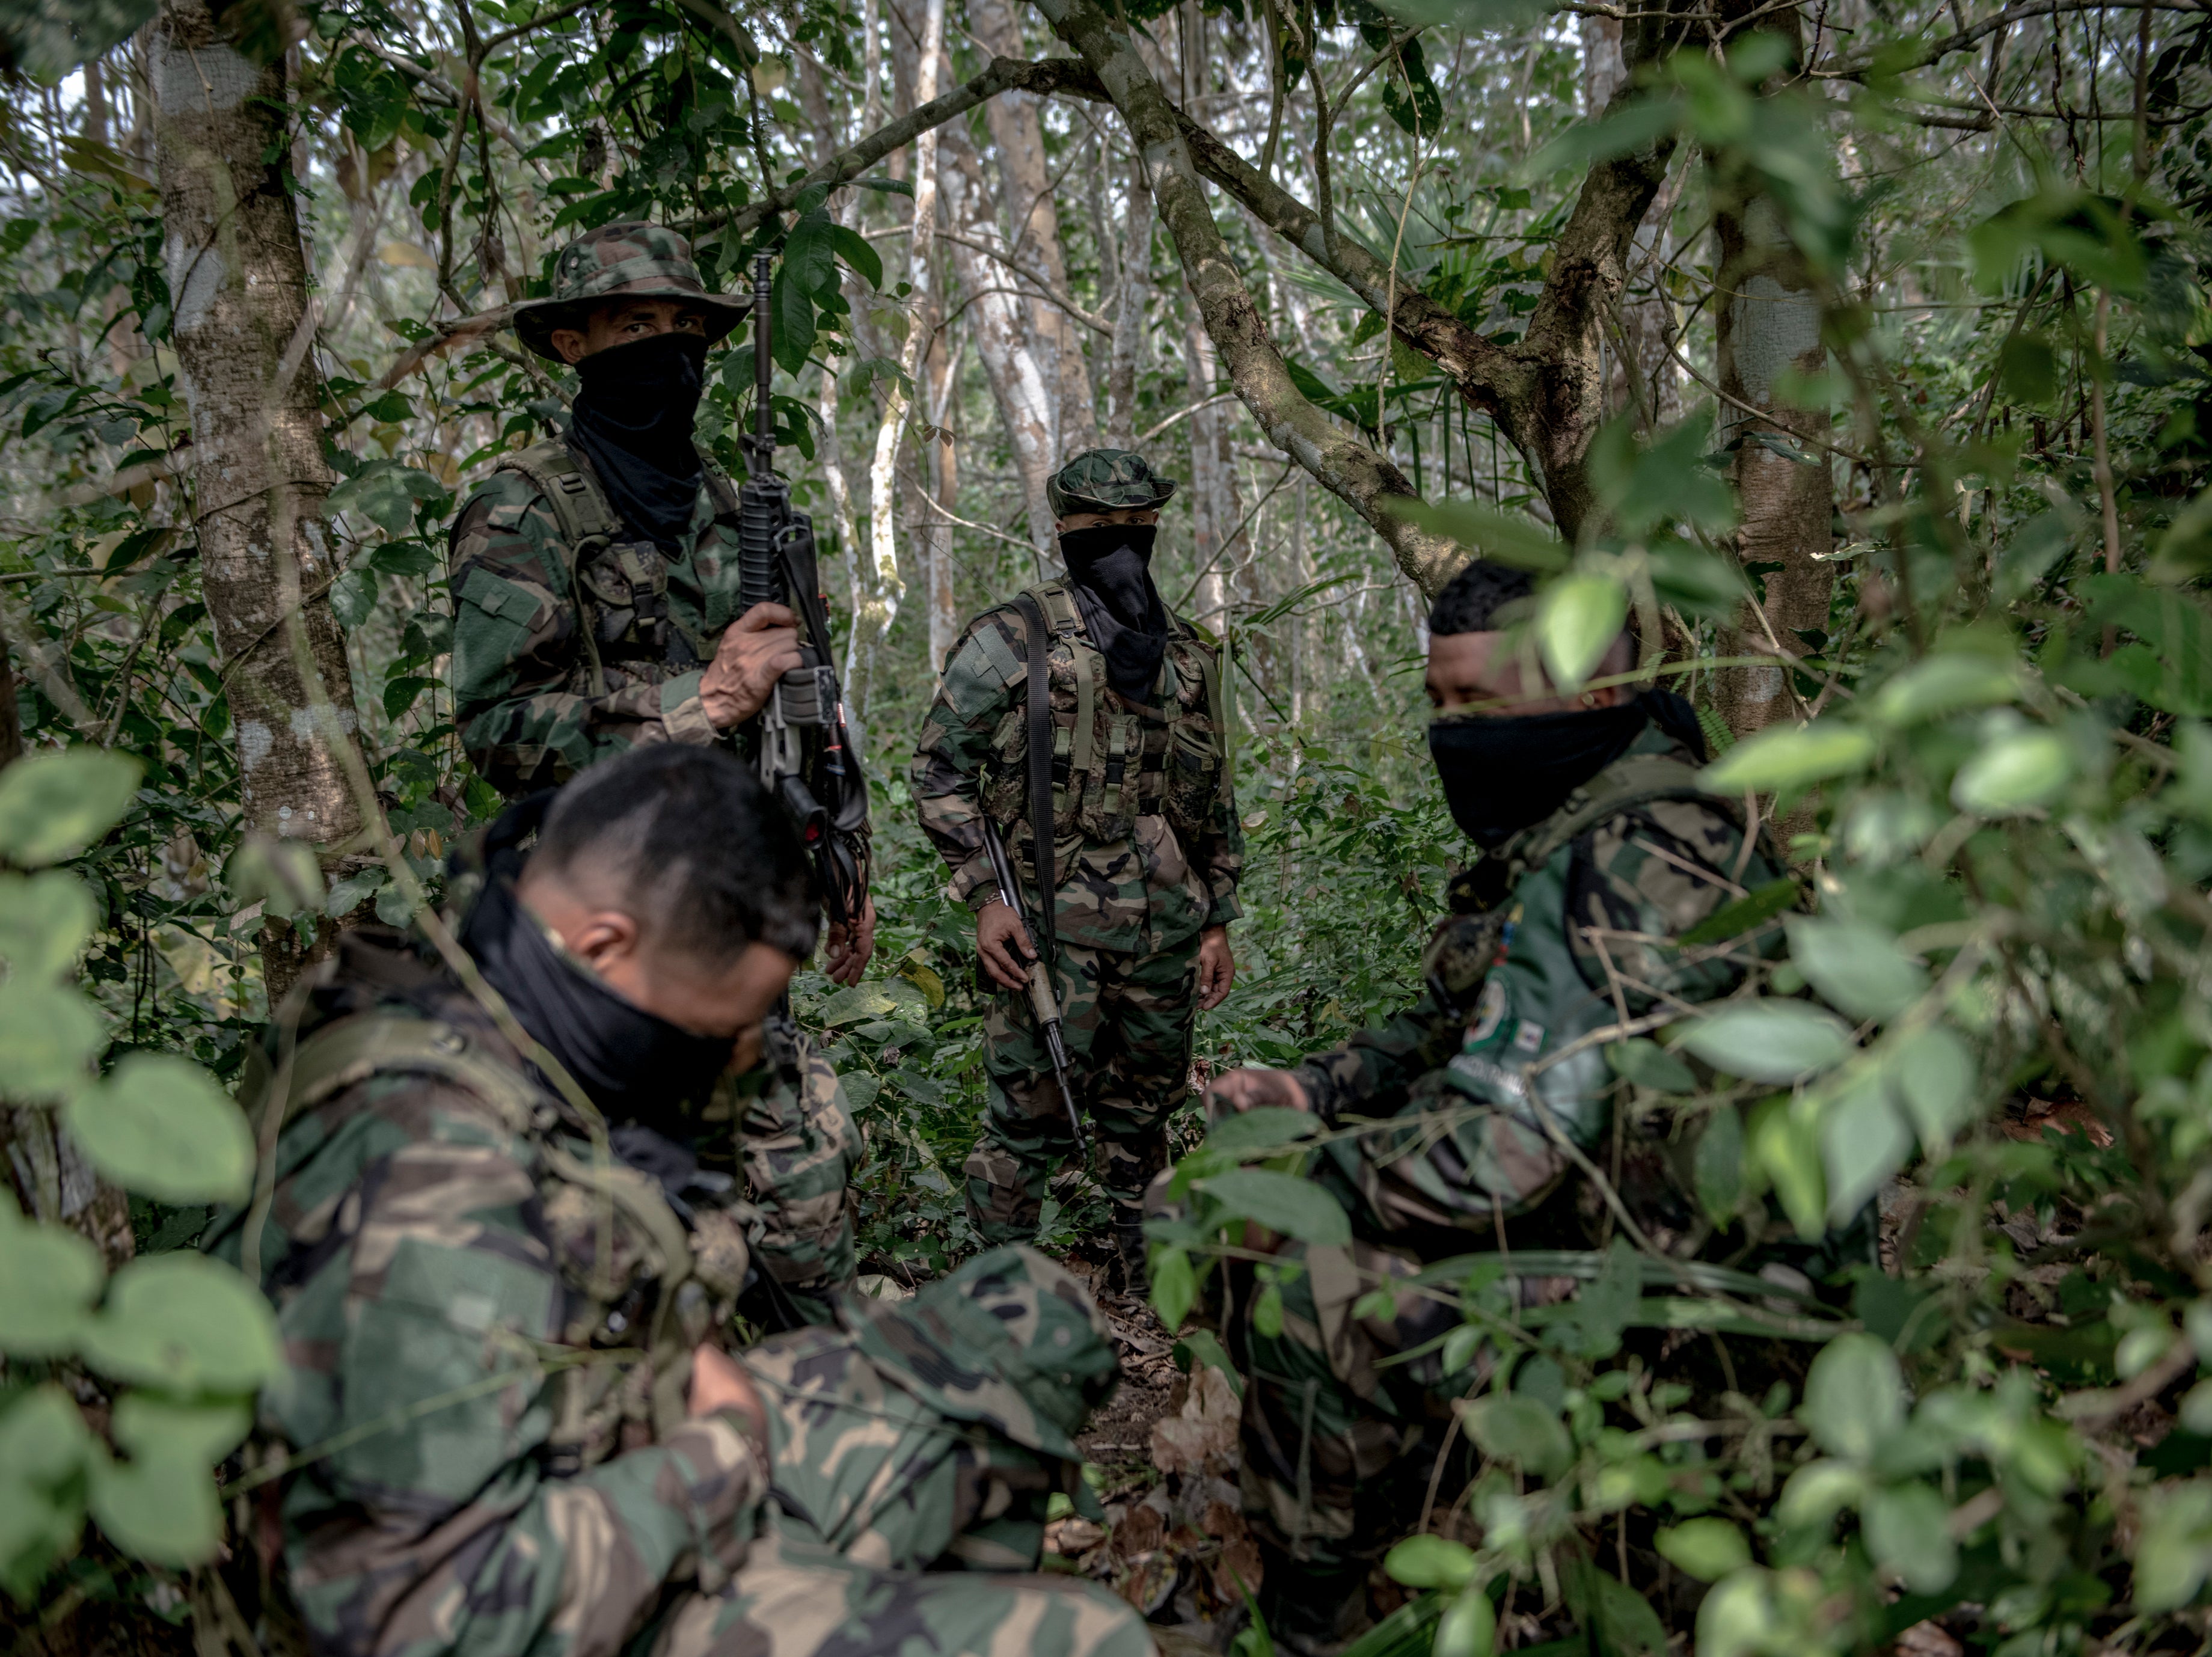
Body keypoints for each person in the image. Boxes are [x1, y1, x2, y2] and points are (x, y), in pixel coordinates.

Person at [203, 747, 1151, 1657]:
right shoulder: (423, 1164)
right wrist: (720, 1461)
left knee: (1030, 1316)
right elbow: (419, 1620)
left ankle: (867, 1591)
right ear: (607, 943)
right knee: (1087, 1641)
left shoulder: (498, 979)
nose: (739, 1062)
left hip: (625, 1436)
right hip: (519, 1583)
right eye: (716, 1035)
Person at [1204, 560, 1798, 1653]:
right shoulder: (1589, 822)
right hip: (1611, 1226)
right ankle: (1416, 1518)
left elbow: (1494, 1155)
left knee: (1307, 1289)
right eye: (1438, 704)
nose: (1454, 735)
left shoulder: (1636, 859)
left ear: (1588, 694)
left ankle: (1311, 1627)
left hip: (1690, 1316)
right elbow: (1450, 1026)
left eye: (1481, 706)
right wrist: (1310, 1090)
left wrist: (1292, 1180)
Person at [446, 220, 868, 1319]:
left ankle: (801, 1427)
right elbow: (500, 729)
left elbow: (813, 717)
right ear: (574, 345)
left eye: (686, 330)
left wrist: (841, 867)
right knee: (613, 1234)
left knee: (804, 1195)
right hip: (599, 942)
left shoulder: (744, 519)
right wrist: (703, 702)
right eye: (638, 329)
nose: (668, 352)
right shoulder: (523, 509)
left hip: (734, 912)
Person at [910, 448, 1244, 1293]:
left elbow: (1211, 795)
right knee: (1027, 1124)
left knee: (1147, 1116)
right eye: (1099, 530)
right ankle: (1001, 1302)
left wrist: (1215, 920)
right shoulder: (1011, 639)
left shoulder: (1188, 656)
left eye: (1136, 529)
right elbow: (939, 772)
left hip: (1163, 932)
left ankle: (1150, 1289)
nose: (1120, 544)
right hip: (1047, 935)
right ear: (1063, 529)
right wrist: (987, 898)